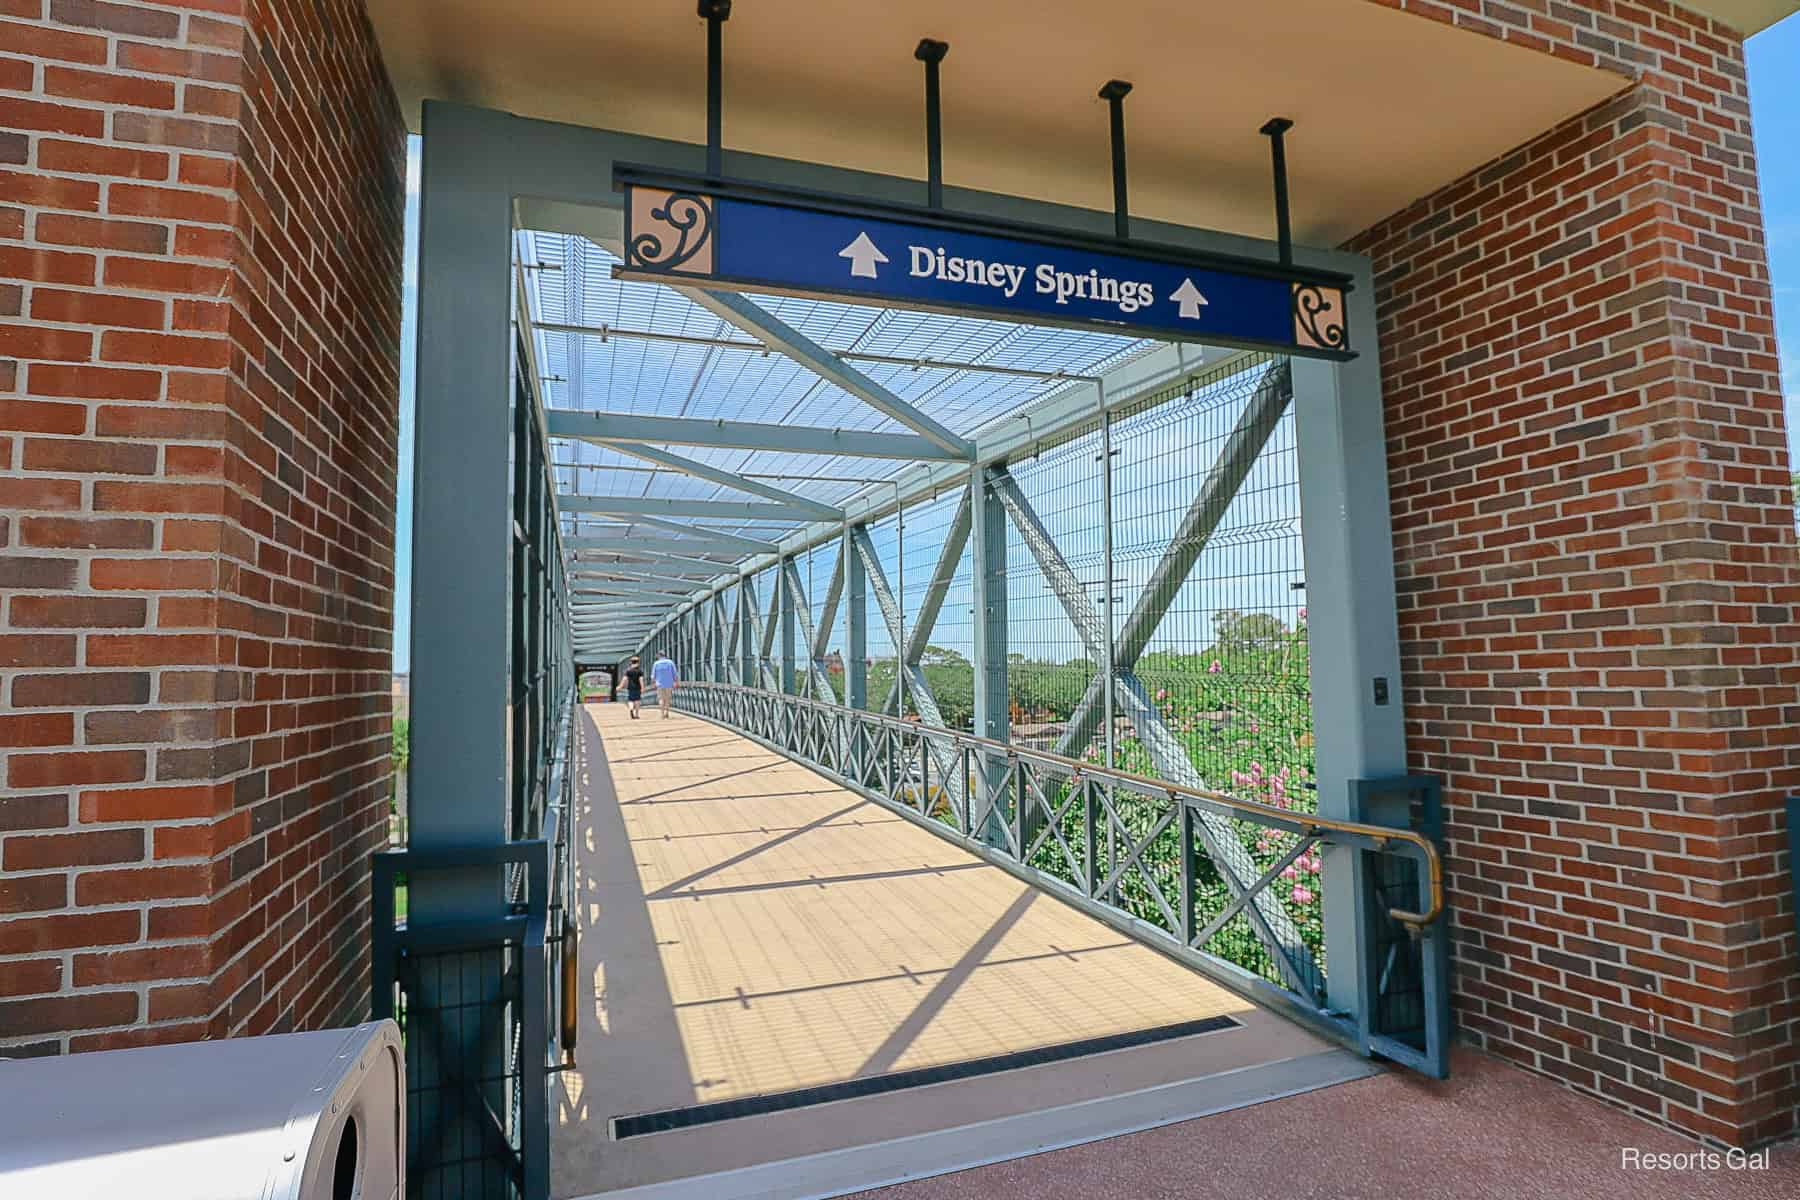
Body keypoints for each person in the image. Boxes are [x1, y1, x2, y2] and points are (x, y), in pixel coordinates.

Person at [650, 651, 679, 719]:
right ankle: (666, 712)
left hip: (659, 684)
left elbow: (653, 675)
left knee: (661, 699)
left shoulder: (656, 663)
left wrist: (653, 683)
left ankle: (662, 713)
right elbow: (675, 673)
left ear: (659, 656)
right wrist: (676, 682)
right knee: (668, 698)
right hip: (669, 683)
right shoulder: (670, 662)